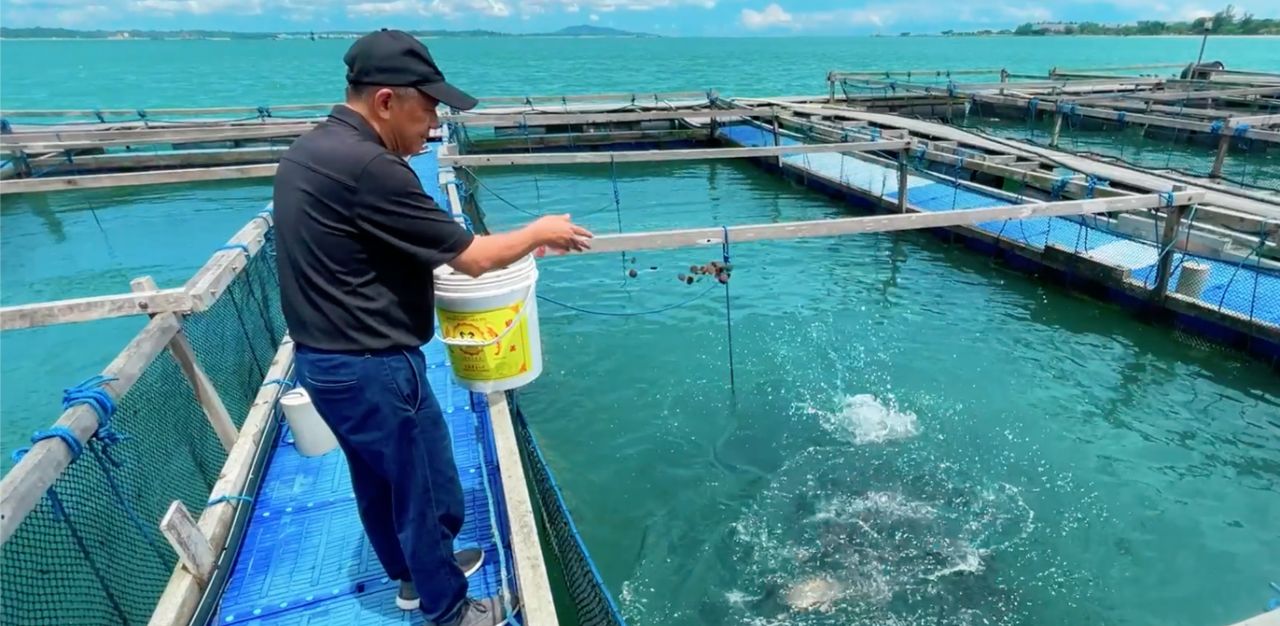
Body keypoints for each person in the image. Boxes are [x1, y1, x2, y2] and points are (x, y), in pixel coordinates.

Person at [272, 28, 593, 626]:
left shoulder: (313, 149)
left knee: (379, 483)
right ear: (387, 100)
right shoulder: (370, 167)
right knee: (418, 488)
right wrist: (540, 231)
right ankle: (449, 610)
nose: (435, 124)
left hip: (327, 361)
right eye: (429, 108)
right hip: (373, 366)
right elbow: (471, 257)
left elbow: (373, 246)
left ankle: (415, 578)